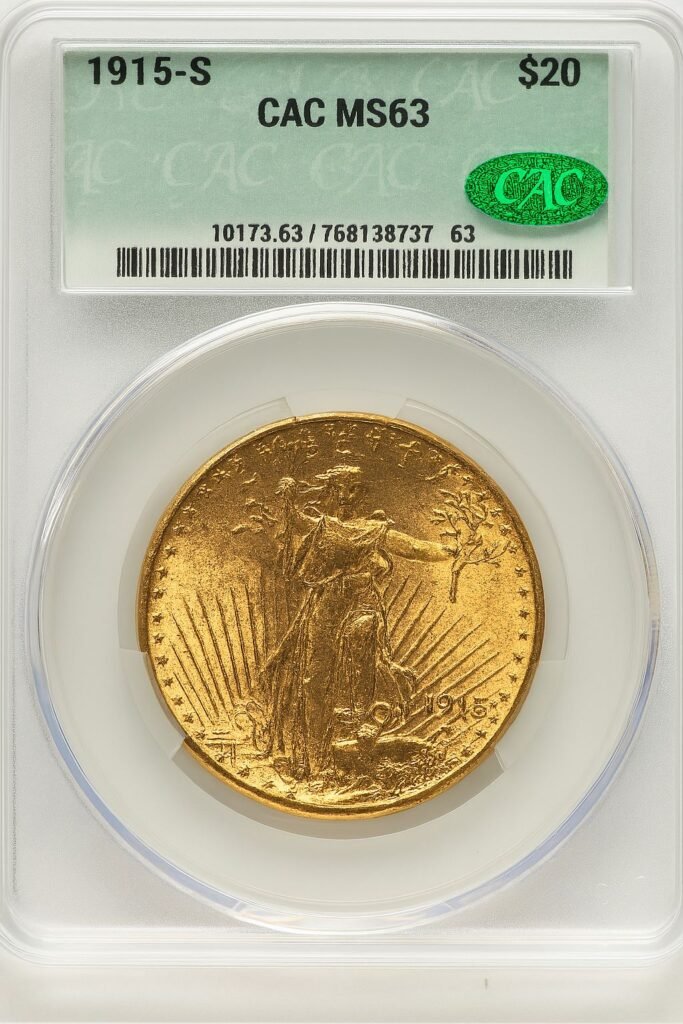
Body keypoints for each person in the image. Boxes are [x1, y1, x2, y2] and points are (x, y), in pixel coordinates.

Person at [264, 465, 454, 781]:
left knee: (363, 641)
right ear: (330, 491)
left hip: (361, 599)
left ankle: (370, 719)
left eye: (351, 488)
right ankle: (318, 761)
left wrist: (452, 551)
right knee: (315, 679)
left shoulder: (374, 530)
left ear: (361, 494)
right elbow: (296, 520)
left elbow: (413, 547)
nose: (344, 495)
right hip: (325, 604)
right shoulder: (323, 526)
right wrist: (287, 496)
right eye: (338, 487)